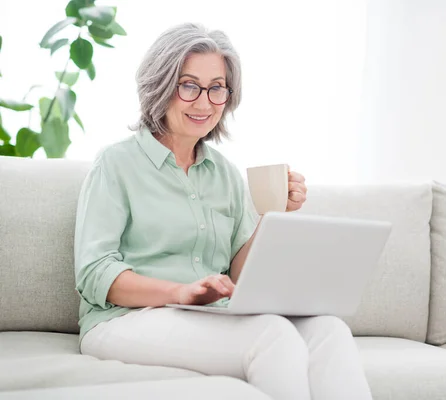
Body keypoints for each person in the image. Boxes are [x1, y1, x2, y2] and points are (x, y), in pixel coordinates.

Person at [74, 22, 372, 400]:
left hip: (207, 316)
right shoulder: (116, 164)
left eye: (216, 88)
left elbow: (239, 273)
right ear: (160, 85)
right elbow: (95, 274)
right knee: (274, 337)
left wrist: (274, 216)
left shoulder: (224, 173)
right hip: (124, 320)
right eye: (189, 85)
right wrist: (179, 292)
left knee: (329, 330)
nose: (204, 102)